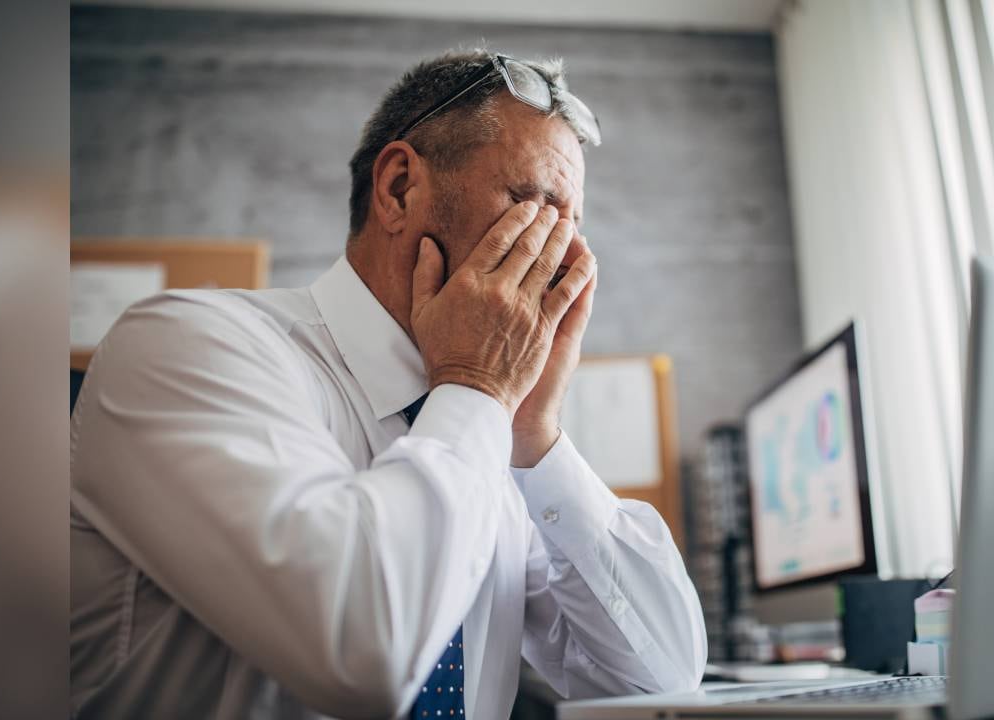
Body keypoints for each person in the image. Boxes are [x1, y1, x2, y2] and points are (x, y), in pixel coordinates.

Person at [69, 50, 706, 719]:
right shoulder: (186, 347)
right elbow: (361, 653)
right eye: (532, 206)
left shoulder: (487, 436)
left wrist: (534, 439)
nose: (567, 257)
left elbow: (661, 678)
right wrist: (477, 387)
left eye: (571, 225)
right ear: (400, 188)